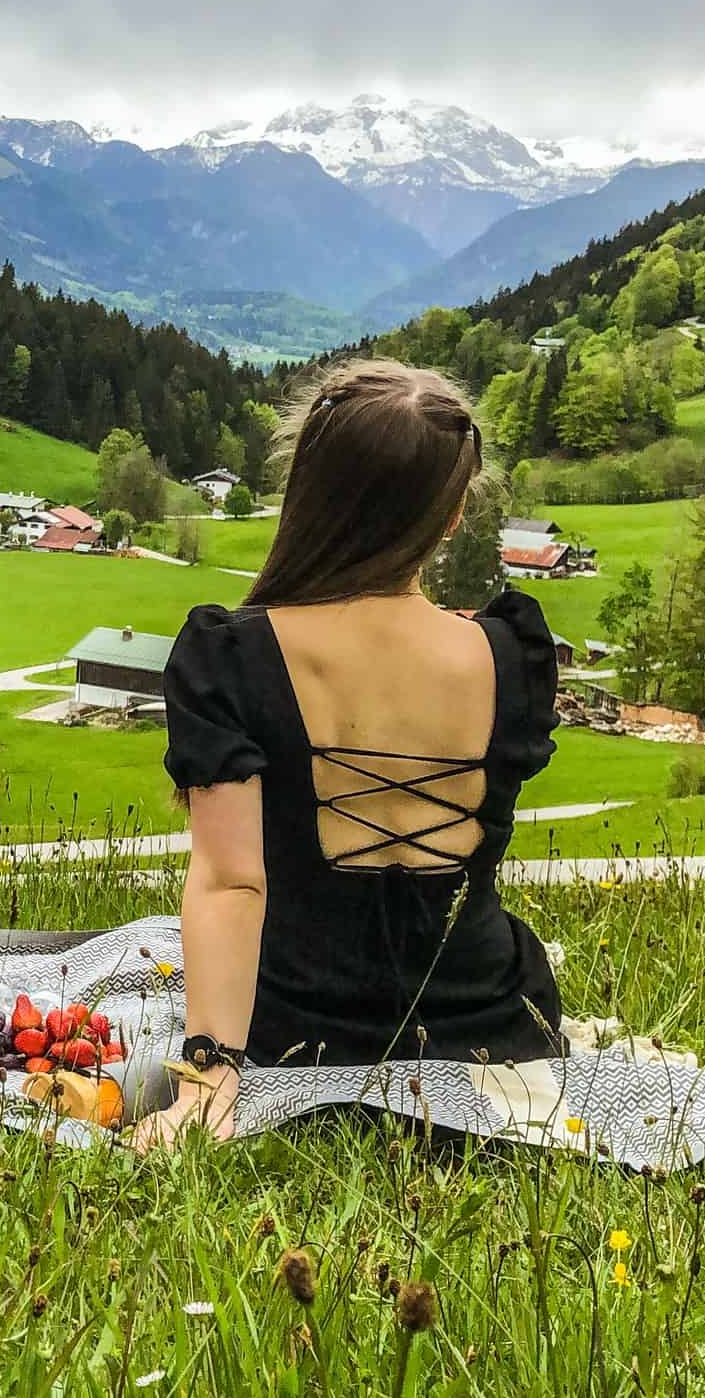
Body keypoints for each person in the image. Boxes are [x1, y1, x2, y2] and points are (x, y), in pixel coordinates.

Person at [133, 359, 560, 1148]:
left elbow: (231, 883)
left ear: (310, 491)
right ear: (452, 514)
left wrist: (209, 1074)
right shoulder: (509, 656)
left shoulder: (231, 657)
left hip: (294, 1029)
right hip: (492, 1025)